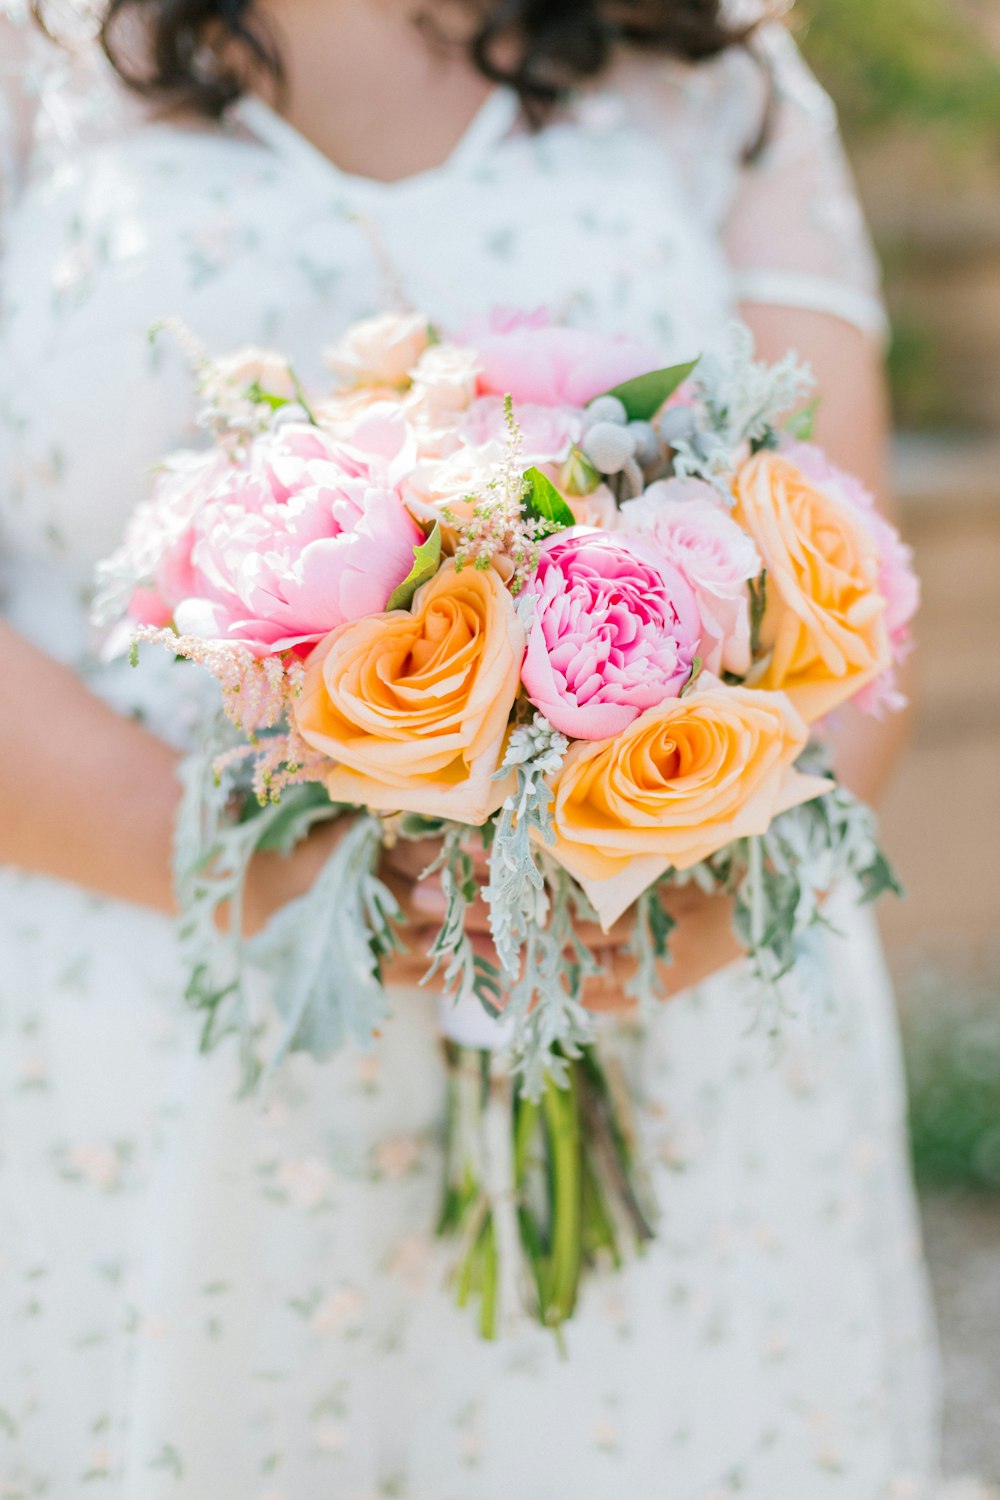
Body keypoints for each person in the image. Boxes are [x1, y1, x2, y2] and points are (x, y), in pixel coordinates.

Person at [0, 0, 940, 1493]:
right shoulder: (30, 63)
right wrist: (286, 873)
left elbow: (851, 585)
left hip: (661, 1011)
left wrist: (667, 909)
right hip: (150, 1015)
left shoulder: (714, 69)